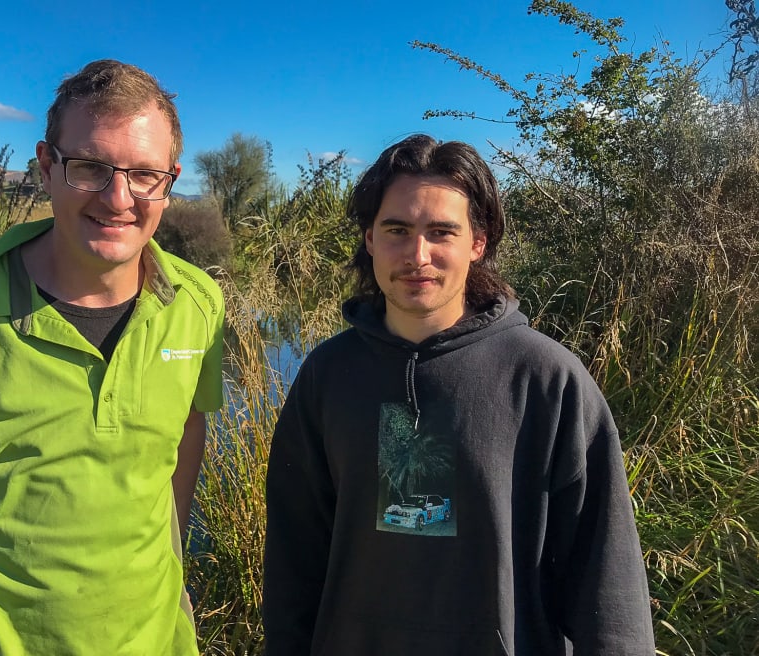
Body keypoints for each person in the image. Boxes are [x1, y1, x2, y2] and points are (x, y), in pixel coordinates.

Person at [0, 59, 225, 655]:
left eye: (144, 174)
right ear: (47, 167)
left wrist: (174, 569)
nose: (118, 197)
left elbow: (185, 434)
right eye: (90, 168)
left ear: (170, 179)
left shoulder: (197, 305)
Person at [262, 134, 654, 655]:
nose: (417, 255)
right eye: (397, 230)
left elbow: (608, 580)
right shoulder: (326, 376)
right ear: (370, 239)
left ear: (478, 241)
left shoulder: (545, 379)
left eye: (441, 231)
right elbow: (294, 556)